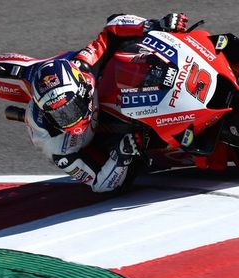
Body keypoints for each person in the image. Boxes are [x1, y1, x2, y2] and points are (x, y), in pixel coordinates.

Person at [25, 13, 188, 193]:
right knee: (124, 181)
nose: (68, 119)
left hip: (112, 91)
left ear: (81, 89)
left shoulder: (83, 65)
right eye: (59, 115)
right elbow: (98, 184)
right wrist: (121, 156)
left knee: (130, 46)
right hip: (104, 142)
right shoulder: (57, 148)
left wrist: (153, 25)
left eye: (70, 108)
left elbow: (112, 26)